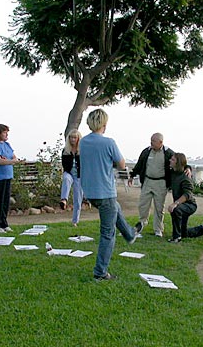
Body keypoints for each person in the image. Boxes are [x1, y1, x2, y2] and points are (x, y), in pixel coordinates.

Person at [80, 109, 138, 281]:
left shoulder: (83, 142)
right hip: (105, 192)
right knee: (108, 233)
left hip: (90, 192)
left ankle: (130, 234)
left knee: (116, 208)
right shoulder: (109, 142)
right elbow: (121, 164)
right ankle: (100, 272)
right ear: (103, 125)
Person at [128, 133, 174, 237]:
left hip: (161, 183)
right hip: (148, 181)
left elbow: (179, 161)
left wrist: (188, 168)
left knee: (159, 207)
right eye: (151, 140)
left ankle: (158, 229)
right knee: (143, 204)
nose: (151, 143)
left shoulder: (168, 153)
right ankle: (141, 225)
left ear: (160, 142)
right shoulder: (146, 151)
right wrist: (132, 175)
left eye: (153, 141)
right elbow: (139, 164)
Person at [167, 152, 203, 243]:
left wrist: (175, 204)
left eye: (173, 160)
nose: (170, 160)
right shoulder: (173, 172)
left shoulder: (185, 178)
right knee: (184, 233)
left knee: (175, 210)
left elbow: (187, 194)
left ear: (178, 163)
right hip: (181, 204)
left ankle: (176, 237)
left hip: (189, 205)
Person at [0, 124, 21, 233]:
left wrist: (9, 160)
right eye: (4, 132)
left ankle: (4, 223)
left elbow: (14, 157)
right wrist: (10, 161)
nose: (7, 135)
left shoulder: (7, 145)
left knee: (5, 201)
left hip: (7, 176)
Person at [59, 129, 84, 227]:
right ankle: (64, 199)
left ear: (78, 139)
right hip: (69, 173)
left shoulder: (82, 150)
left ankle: (75, 221)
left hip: (79, 175)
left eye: (75, 137)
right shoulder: (65, 150)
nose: (73, 140)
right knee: (66, 179)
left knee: (78, 199)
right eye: (71, 137)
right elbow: (64, 165)